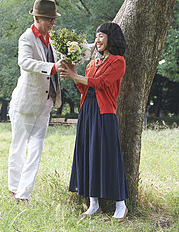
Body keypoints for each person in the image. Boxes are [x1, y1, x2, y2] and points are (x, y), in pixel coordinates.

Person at [59, 22, 129, 222]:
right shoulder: (92, 64)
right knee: (88, 154)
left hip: (104, 113)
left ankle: (120, 204)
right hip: (87, 111)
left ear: (111, 38)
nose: (97, 40)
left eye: (101, 36)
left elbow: (102, 84)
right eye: (96, 36)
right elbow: (85, 89)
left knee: (109, 156)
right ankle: (94, 203)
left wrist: (75, 75)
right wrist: (74, 73)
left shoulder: (118, 62)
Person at [8, 0, 64, 202]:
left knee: (36, 150)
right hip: (25, 103)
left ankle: (24, 194)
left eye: (54, 19)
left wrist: (98, 44)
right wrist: (51, 67)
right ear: (37, 18)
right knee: (19, 148)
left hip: (46, 104)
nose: (52, 23)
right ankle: (14, 189)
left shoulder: (52, 39)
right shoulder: (26, 38)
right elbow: (24, 62)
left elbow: (73, 49)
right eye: (49, 19)